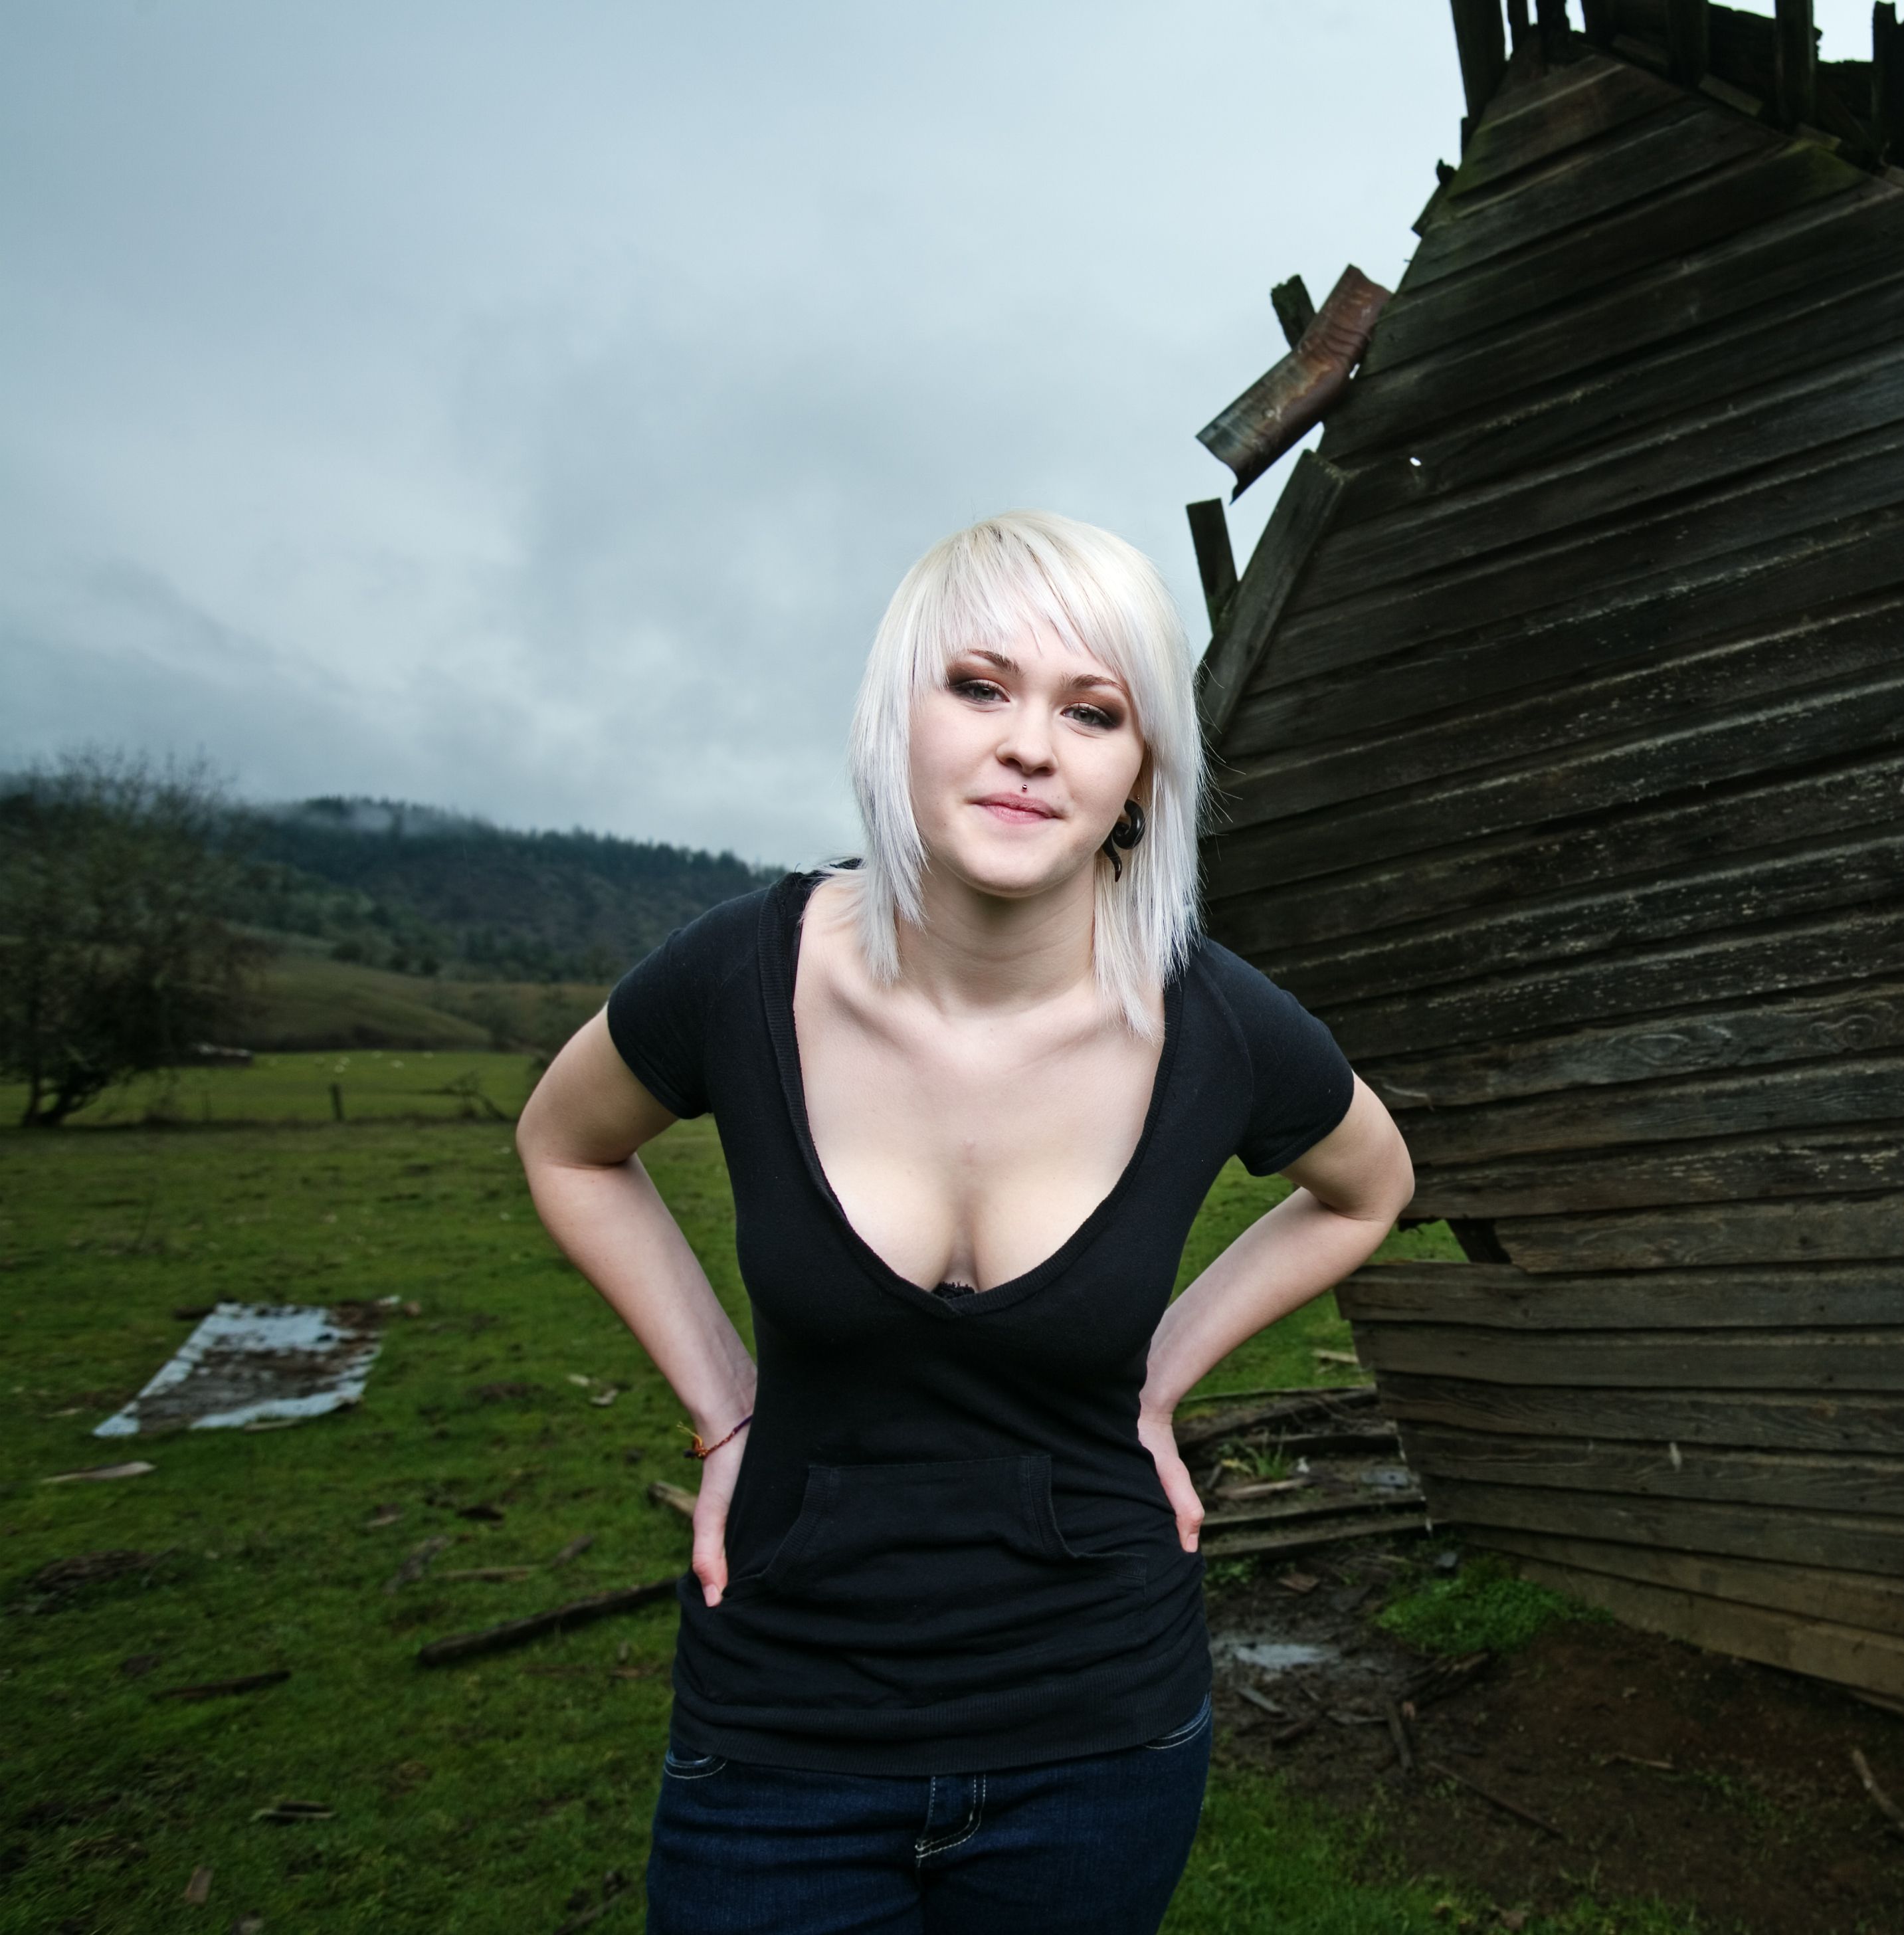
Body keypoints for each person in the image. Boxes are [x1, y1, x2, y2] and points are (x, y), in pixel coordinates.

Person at [514, 510, 1415, 1935]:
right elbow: (565, 1144)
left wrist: (1161, 1374)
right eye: (980, 686)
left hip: (1102, 1738)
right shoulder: (741, 974)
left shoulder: (1218, 1023)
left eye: (1093, 710)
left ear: (1139, 776)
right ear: (899, 718)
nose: (1030, 744)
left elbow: (1370, 1187)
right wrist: (723, 1409)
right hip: (779, 1737)